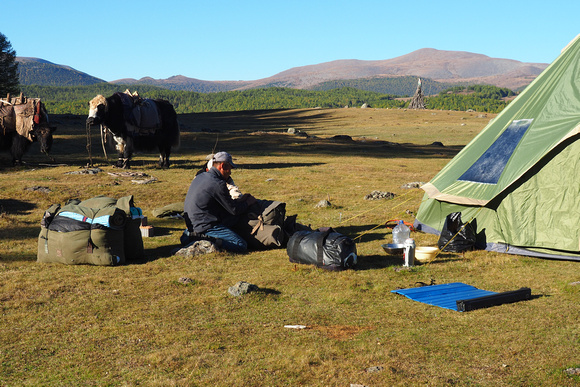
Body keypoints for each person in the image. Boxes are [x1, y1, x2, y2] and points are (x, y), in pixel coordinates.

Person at [182, 151, 256, 253]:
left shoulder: (201, 176)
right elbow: (234, 210)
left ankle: (189, 237)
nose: (230, 172)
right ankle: (209, 240)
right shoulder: (218, 184)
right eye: (229, 168)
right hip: (205, 225)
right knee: (241, 245)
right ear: (222, 166)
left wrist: (241, 200)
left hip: (193, 224)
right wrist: (248, 202)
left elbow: (224, 203)